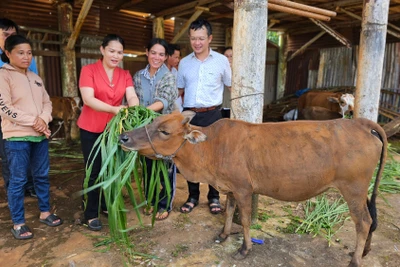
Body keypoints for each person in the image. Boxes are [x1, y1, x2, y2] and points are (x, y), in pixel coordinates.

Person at [0, 35, 62, 240]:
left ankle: (45, 212)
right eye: (20, 52)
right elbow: (5, 108)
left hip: (39, 137)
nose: (26, 57)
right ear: (8, 53)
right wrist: (33, 121)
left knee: (41, 176)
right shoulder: (3, 75)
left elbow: (47, 103)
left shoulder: (35, 78)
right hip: (17, 138)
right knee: (17, 180)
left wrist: (43, 119)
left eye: (29, 53)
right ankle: (18, 223)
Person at [78, 34, 139, 231]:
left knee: (111, 168)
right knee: (94, 171)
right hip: (91, 129)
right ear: (102, 50)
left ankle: (105, 205)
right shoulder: (89, 71)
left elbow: (132, 96)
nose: (115, 55)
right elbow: (88, 99)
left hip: (114, 130)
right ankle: (90, 213)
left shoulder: (125, 74)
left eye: (119, 52)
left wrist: (134, 110)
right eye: (112, 51)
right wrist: (114, 110)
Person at [177, 19, 231, 215]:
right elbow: (179, 90)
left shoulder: (221, 61)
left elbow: (232, 86)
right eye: (193, 39)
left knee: (214, 157)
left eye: (201, 38)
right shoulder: (184, 63)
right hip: (190, 115)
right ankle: (192, 196)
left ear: (209, 38)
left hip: (213, 114)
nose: (197, 43)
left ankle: (214, 197)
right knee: (190, 157)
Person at [133, 38, 178, 221]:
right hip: (145, 132)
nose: (156, 57)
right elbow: (132, 98)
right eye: (153, 53)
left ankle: (165, 204)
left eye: (161, 54)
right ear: (147, 52)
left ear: (166, 56)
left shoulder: (168, 77)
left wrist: (141, 111)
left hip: (164, 131)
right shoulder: (138, 76)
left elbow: (163, 101)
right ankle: (151, 200)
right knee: (149, 167)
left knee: (166, 167)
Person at [0, 18, 37, 198]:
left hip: (26, 113)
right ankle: (14, 189)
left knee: (29, 150)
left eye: (13, 35)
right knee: (9, 155)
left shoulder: (27, 58)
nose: (10, 38)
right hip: (4, 117)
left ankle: (29, 186)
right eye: (5, 35)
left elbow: (34, 83)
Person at [165, 43, 182, 111]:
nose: (178, 60)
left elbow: (180, 88)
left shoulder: (175, 71)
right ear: (168, 56)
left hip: (178, 108)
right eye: (176, 57)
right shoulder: (160, 72)